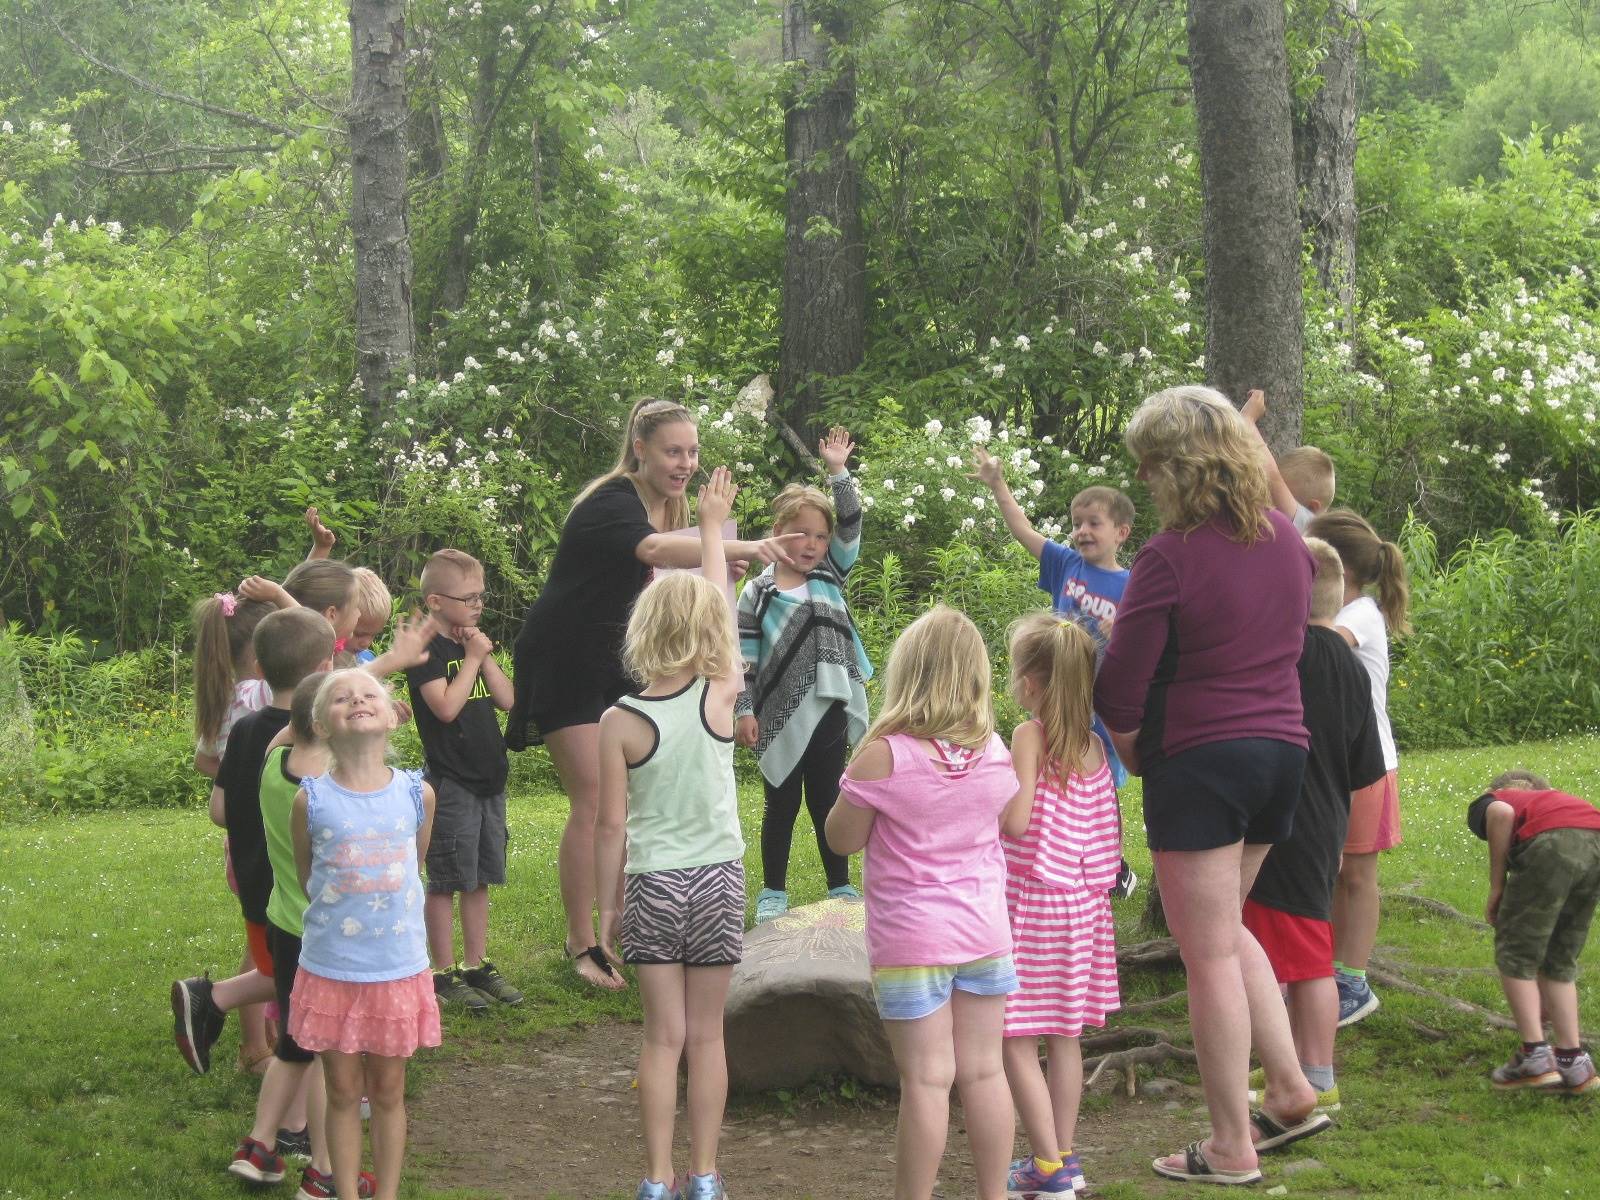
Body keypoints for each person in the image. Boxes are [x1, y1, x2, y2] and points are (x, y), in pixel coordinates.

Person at [1094, 385, 1328, 1186]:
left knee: (1208, 958)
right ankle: (1292, 1087)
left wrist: (1131, 750)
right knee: (1226, 932)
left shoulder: (1170, 553)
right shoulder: (1287, 542)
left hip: (1202, 762)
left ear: (1176, 466)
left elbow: (1121, 683)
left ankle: (1231, 1145)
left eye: (1151, 466)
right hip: (1282, 754)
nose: (1148, 480)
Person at [507, 397, 805, 989]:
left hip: (619, 657)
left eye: (692, 451)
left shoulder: (667, 508)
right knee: (592, 798)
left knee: (627, 795)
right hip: (567, 657)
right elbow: (651, 553)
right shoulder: (612, 499)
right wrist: (737, 545)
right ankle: (582, 941)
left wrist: (718, 568)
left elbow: (671, 583)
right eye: (673, 451)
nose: (686, 462)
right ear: (639, 449)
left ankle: (623, 928)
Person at [825, 605, 1019, 1200]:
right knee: (986, 1072)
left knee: (928, 1083)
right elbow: (1009, 820)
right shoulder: (995, 749)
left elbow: (841, 839)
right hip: (985, 935)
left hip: (911, 943)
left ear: (907, 673)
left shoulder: (884, 754)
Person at [595, 466, 747, 1200]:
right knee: (709, 1038)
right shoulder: (722, 697)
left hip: (652, 881)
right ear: (714, 636)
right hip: (718, 878)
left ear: (642, 631)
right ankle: (706, 1176)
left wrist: (607, 908)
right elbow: (716, 602)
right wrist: (712, 528)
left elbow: (609, 824)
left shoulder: (617, 722)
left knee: (661, 1040)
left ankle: (656, 1181)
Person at [1242, 538, 1385, 1117]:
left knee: (1296, 957)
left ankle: (1317, 1073)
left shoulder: (1281, 653)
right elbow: (1365, 763)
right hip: (1326, 821)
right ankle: (1297, 1063)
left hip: (1278, 821)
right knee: (1304, 947)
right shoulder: (1351, 669)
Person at [289, 668, 440, 1200]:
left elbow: (414, 868)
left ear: (394, 714)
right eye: (341, 697)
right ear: (321, 725)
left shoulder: (417, 794)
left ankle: (389, 1193)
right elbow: (311, 878)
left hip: (396, 968)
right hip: (333, 969)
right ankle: (347, 1192)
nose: (357, 700)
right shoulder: (311, 800)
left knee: (390, 1090)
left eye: (369, 693)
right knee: (343, 1092)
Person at [171, 608, 336, 1077]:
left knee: (281, 965)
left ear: (260, 670)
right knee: (303, 971)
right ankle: (299, 1070)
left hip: (253, 874)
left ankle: (229, 1011)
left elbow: (219, 811)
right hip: (299, 885)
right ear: (327, 669)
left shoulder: (244, 728)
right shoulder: (320, 738)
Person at [231, 672, 377, 1198]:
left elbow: (288, 734)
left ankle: (259, 1144)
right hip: (324, 937)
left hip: (282, 926)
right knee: (325, 1053)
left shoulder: (275, 765)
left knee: (296, 1045)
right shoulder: (327, 794)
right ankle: (326, 1171)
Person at [999, 613, 1121, 1198]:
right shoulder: (1095, 747)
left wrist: (992, 805)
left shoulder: (1030, 736)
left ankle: (1048, 1169)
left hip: (1034, 906)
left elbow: (1018, 822)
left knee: (1014, 1037)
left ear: (1032, 682)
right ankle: (1062, 1156)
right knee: (1065, 1036)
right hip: (1085, 909)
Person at [736, 427, 873, 923]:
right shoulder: (758, 591)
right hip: (777, 709)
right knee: (781, 802)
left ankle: (840, 884)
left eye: (820, 535)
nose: (813, 544)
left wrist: (838, 472)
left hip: (831, 704)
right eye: (801, 534)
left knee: (827, 799)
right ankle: (773, 890)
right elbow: (743, 656)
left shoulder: (829, 575)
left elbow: (852, 524)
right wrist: (744, 708)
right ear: (777, 531)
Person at [971, 447, 1134, 787]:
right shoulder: (1066, 563)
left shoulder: (1133, 585)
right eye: (1076, 524)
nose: (1082, 531)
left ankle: (1098, 817)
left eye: (1093, 523)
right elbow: (1023, 530)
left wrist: (1122, 631)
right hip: (1057, 686)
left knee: (1098, 774)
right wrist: (998, 483)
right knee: (1050, 761)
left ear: (1121, 532)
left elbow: (1146, 641)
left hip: (1102, 698)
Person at [1304, 508, 1410, 1028]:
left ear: (1336, 566)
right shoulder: (1347, 610)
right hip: (1337, 763)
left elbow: (1321, 647)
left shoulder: (1359, 614)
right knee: (1336, 870)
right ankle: (1330, 970)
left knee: (1358, 875)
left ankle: (1354, 980)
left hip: (1368, 765)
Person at [407, 549, 521, 1011]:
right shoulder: (426, 650)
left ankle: (477, 964)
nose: (478, 605)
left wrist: (484, 654)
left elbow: (508, 700)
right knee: (446, 879)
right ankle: (443, 971)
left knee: (479, 878)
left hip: (489, 779)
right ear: (435, 600)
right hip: (451, 782)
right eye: (468, 597)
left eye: (481, 596)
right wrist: (471, 656)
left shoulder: (472, 643)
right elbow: (446, 707)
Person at [1467, 770, 1600, 1095]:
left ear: (1494, 789)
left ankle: (1535, 1055)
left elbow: (1500, 814)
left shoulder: (1493, 799)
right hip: (1595, 841)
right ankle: (1573, 1060)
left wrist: (1497, 886)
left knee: (1515, 953)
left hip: (1553, 843)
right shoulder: (1558, 800)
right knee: (1558, 959)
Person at [190, 588, 278, 1071]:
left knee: (263, 936)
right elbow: (308, 641)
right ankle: (254, 1049)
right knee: (263, 944)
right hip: (270, 837)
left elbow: (208, 760)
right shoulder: (259, 694)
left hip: (243, 836)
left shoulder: (224, 695)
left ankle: (264, 1031)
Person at [1239, 389, 1336, 533]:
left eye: (1277, 498)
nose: (1269, 501)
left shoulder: (1310, 525)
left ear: (1312, 507)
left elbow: (1273, 478)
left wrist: (1247, 419)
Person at [348, 568, 393, 664]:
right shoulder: (325, 659)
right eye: (359, 634)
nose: (367, 643)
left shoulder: (368, 658)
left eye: (374, 635)